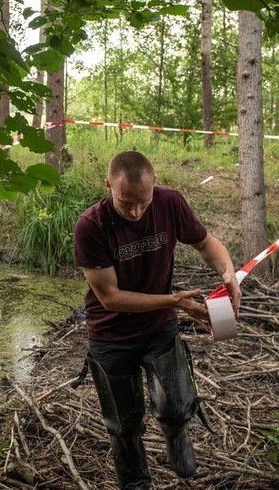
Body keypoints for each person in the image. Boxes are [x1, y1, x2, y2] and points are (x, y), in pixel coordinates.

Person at [73, 150, 242, 489]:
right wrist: (176, 302)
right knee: (123, 424)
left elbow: (206, 243)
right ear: (108, 186)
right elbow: (111, 297)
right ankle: (136, 483)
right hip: (109, 334)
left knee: (177, 404)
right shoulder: (90, 226)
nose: (135, 212)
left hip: (157, 326)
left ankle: (176, 433)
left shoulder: (170, 203)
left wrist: (228, 272)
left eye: (143, 202)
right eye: (126, 203)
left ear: (155, 187)